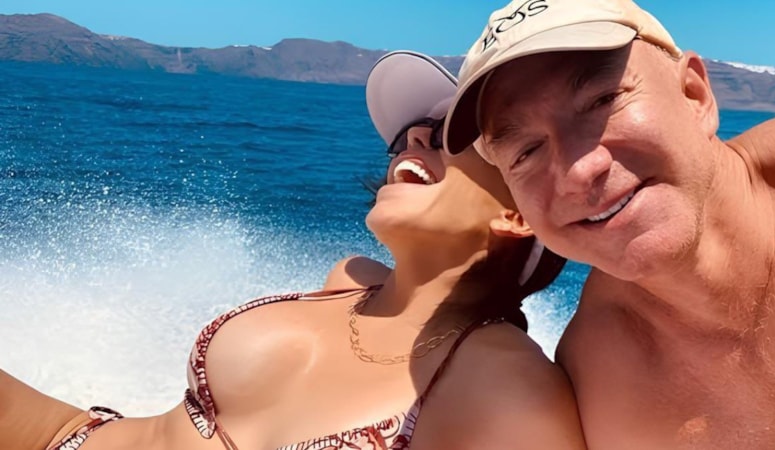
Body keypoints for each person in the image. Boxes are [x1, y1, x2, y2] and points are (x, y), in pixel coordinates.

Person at [1, 51, 585, 450]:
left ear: (519, 212)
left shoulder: (510, 390)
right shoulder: (352, 279)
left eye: (448, 134)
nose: (412, 138)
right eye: (408, 134)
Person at [442, 0, 775, 448]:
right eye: (526, 152)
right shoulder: (602, 379)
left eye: (603, 101)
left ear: (694, 95)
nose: (578, 172)